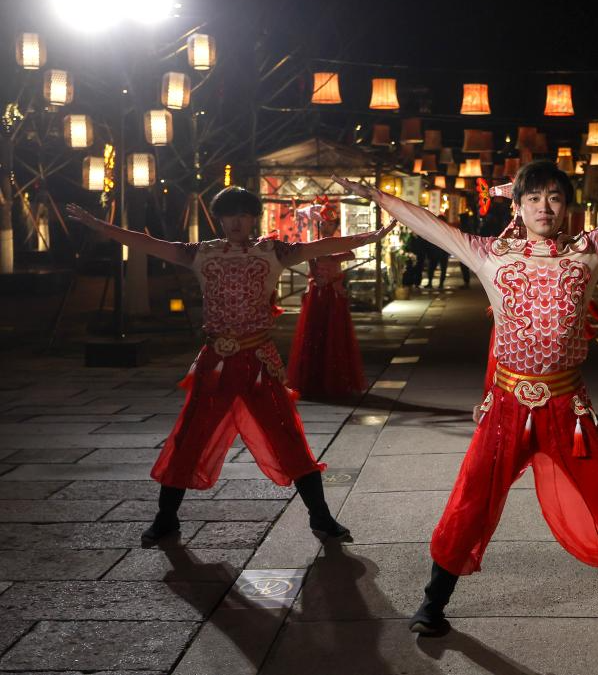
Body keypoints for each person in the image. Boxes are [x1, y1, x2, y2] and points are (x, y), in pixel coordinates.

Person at [333, 135, 598, 642]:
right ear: (518, 205)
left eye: (554, 198)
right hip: (507, 406)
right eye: (534, 198)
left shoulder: (589, 251)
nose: (544, 207)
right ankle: (433, 603)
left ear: (567, 207)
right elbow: (429, 224)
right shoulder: (488, 254)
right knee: (472, 500)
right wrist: (376, 196)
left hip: (569, 409)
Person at [66, 188, 393, 543]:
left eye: (243, 215)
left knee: (287, 436)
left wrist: (371, 237)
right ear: (220, 218)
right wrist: (101, 226)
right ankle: (165, 519)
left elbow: (320, 246)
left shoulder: (272, 252)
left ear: (253, 218)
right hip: (216, 364)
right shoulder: (202, 253)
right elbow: (150, 244)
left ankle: (322, 517)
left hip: (258, 363)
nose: (237, 222)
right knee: (191, 436)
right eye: (229, 215)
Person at [287, 201, 369, 399]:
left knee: (335, 333)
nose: (326, 227)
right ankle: (313, 379)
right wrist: (318, 269)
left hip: (334, 292)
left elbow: (350, 254)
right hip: (318, 293)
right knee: (315, 332)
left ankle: (336, 379)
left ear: (335, 226)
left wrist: (333, 258)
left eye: (330, 224)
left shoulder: (337, 244)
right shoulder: (314, 245)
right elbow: (310, 263)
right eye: (324, 223)